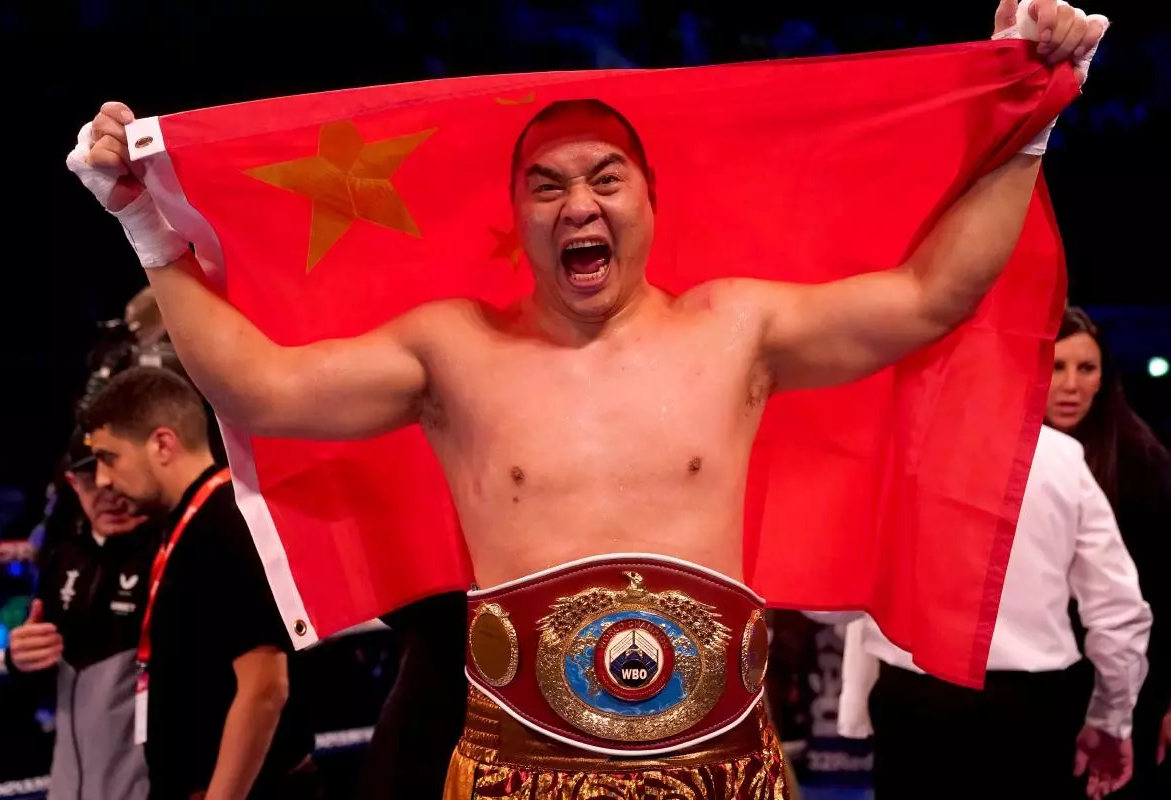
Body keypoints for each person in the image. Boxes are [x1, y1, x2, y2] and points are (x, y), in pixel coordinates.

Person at [71, 2, 1106, 795]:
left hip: (722, 763)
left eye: (606, 179)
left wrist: (1028, 119)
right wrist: (145, 225)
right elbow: (259, 386)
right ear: (516, 213)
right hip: (518, 768)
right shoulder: (453, 350)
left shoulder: (737, 328)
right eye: (548, 184)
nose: (579, 204)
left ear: (650, 201)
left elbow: (934, 295)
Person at [818, 424, 1152, 800]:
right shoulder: (1057, 455)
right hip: (1024, 712)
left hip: (922, 707)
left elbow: (827, 604)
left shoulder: (890, 451)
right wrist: (1111, 719)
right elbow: (1117, 610)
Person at [79, 367, 318, 800]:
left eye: (109, 457)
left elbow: (265, 687)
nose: (102, 480)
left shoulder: (226, 524)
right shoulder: (188, 522)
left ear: (162, 444)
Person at [1047, 306, 1171, 797]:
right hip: (1042, 686)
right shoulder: (1003, 458)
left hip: (1133, 686)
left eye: (1086, 368)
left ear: (1103, 378)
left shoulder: (1142, 460)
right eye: (1056, 367)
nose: (1071, 385)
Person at [5, 427, 158, 800]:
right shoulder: (62, 558)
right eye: (91, 477)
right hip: (68, 784)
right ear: (74, 484)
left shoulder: (174, 556)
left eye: (116, 471)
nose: (108, 491)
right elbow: (47, 687)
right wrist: (21, 658)